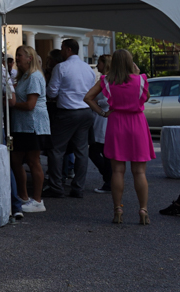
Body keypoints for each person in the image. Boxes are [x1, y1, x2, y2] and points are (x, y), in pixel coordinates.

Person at [83, 49, 154, 224]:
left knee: (117, 171)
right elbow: (145, 98)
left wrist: (102, 112)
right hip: (137, 123)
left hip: (116, 123)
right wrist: (137, 74)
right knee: (139, 171)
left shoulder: (107, 81)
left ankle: (118, 210)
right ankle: (143, 210)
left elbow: (88, 97)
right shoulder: (140, 80)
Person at [44, 38, 97, 199]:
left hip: (67, 112)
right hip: (86, 111)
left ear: (68, 49)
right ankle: (78, 187)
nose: (60, 51)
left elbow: (51, 92)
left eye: (62, 48)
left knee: (56, 150)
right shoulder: (88, 68)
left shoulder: (61, 67)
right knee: (81, 151)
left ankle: (56, 187)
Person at [10, 45, 51, 213]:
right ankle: (24, 196)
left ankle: (37, 200)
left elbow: (30, 105)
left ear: (30, 58)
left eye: (20, 55)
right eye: (17, 55)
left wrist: (12, 104)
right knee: (16, 160)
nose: (17, 58)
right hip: (22, 125)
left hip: (33, 125)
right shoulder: (24, 77)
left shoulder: (34, 76)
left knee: (33, 161)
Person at [89, 54, 113, 194]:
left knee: (98, 151)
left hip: (104, 118)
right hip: (101, 119)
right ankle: (109, 178)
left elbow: (108, 100)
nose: (97, 65)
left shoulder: (107, 80)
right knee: (101, 151)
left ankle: (109, 179)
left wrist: (96, 102)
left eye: (99, 63)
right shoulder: (105, 79)